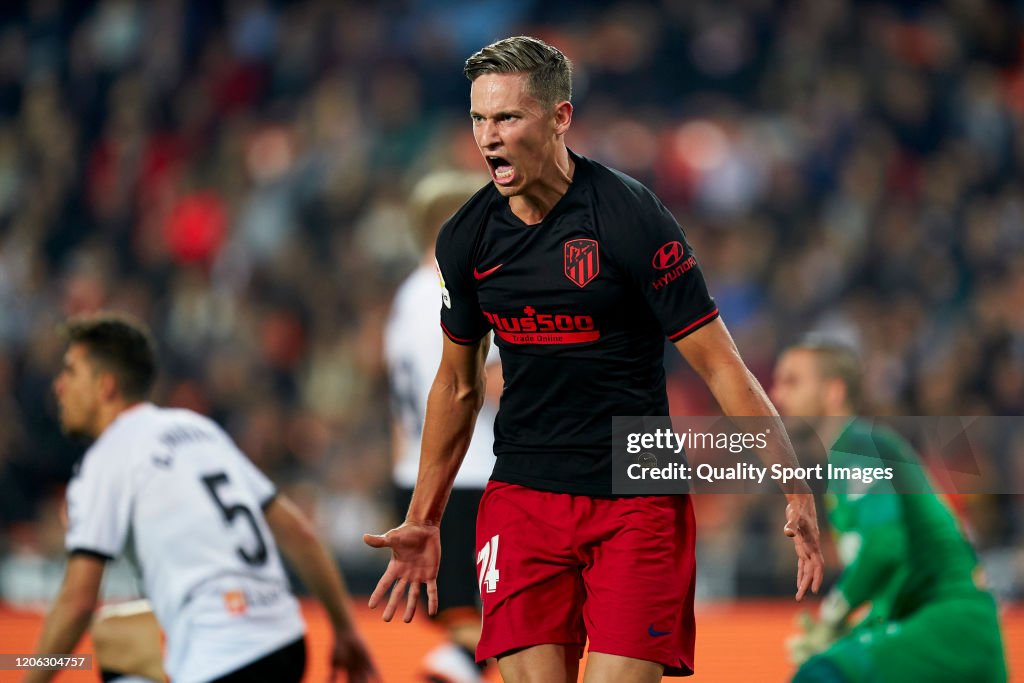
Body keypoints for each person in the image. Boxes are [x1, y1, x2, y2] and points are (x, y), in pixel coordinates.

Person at [364, 35, 823, 682]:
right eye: (479, 118)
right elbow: (458, 387)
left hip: (636, 490)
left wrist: (792, 481)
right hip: (524, 490)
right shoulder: (466, 236)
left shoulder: (631, 218)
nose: (488, 137)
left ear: (559, 118)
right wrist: (423, 516)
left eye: (507, 117)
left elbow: (721, 364)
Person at [27, 313, 378, 683]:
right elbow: (300, 533)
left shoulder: (106, 460)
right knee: (116, 638)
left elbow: (78, 602)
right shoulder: (197, 430)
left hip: (221, 658)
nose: (59, 386)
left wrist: (28, 677)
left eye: (70, 372)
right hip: (285, 642)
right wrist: (345, 631)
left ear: (106, 386)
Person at [771, 340, 1007, 683]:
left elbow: (884, 547)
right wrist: (848, 631)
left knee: (819, 675)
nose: (777, 396)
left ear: (833, 392)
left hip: (949, 625)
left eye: (792, 382)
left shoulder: (856, 448)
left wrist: (831, 616)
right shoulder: (856, 454)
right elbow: (899, 576)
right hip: (945, 628)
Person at [385, 169, 501, 683]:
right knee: (507, 622)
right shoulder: (465, 287)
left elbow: (398, 407)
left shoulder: (406, 296)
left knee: (465, 620)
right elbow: (493, 386)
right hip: (474, 474)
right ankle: (462, 666)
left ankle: (461, 663)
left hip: (416, 474)